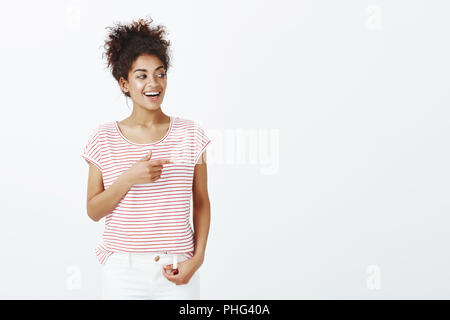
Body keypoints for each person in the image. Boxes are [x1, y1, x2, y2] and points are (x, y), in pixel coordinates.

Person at [80, 17, 212, 300]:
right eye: (142, 75)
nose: (153, 83)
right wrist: (129, 178)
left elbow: (201, 201)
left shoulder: (191, 133)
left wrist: (197, 258)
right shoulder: (102, 137)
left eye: (160, 73)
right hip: (123, 273)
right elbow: (93, 211)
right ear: (124, 83)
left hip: (178, 267)